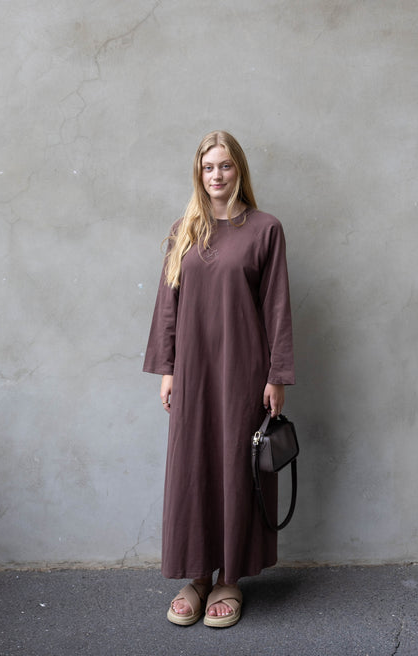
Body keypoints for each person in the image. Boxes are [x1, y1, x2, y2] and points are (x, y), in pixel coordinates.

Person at [143, 130, 295, 628]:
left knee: (236, 466)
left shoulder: (265, 229)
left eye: (225, 165)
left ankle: (229, 578)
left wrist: (276, 375)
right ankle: (197, 577)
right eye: (208, 167)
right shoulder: (184, 229)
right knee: (193, 468)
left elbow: (277, 307)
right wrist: (168, 369)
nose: (216, 175)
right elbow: (168, 303)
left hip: (244, 371)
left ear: (239, 170)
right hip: (193, 370)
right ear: (198, 173)